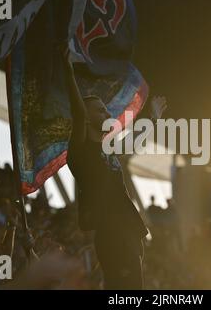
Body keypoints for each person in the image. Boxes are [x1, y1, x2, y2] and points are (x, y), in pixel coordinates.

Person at [67, 95, 166, 289]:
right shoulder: (81, 152)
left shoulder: (107, 148)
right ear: (85, 118)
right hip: (111, 231)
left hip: (128, 228)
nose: (107, 114)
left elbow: (130, 142)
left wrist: (153, 118)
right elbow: (78, 113)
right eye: (100, 110)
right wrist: (68, 68)